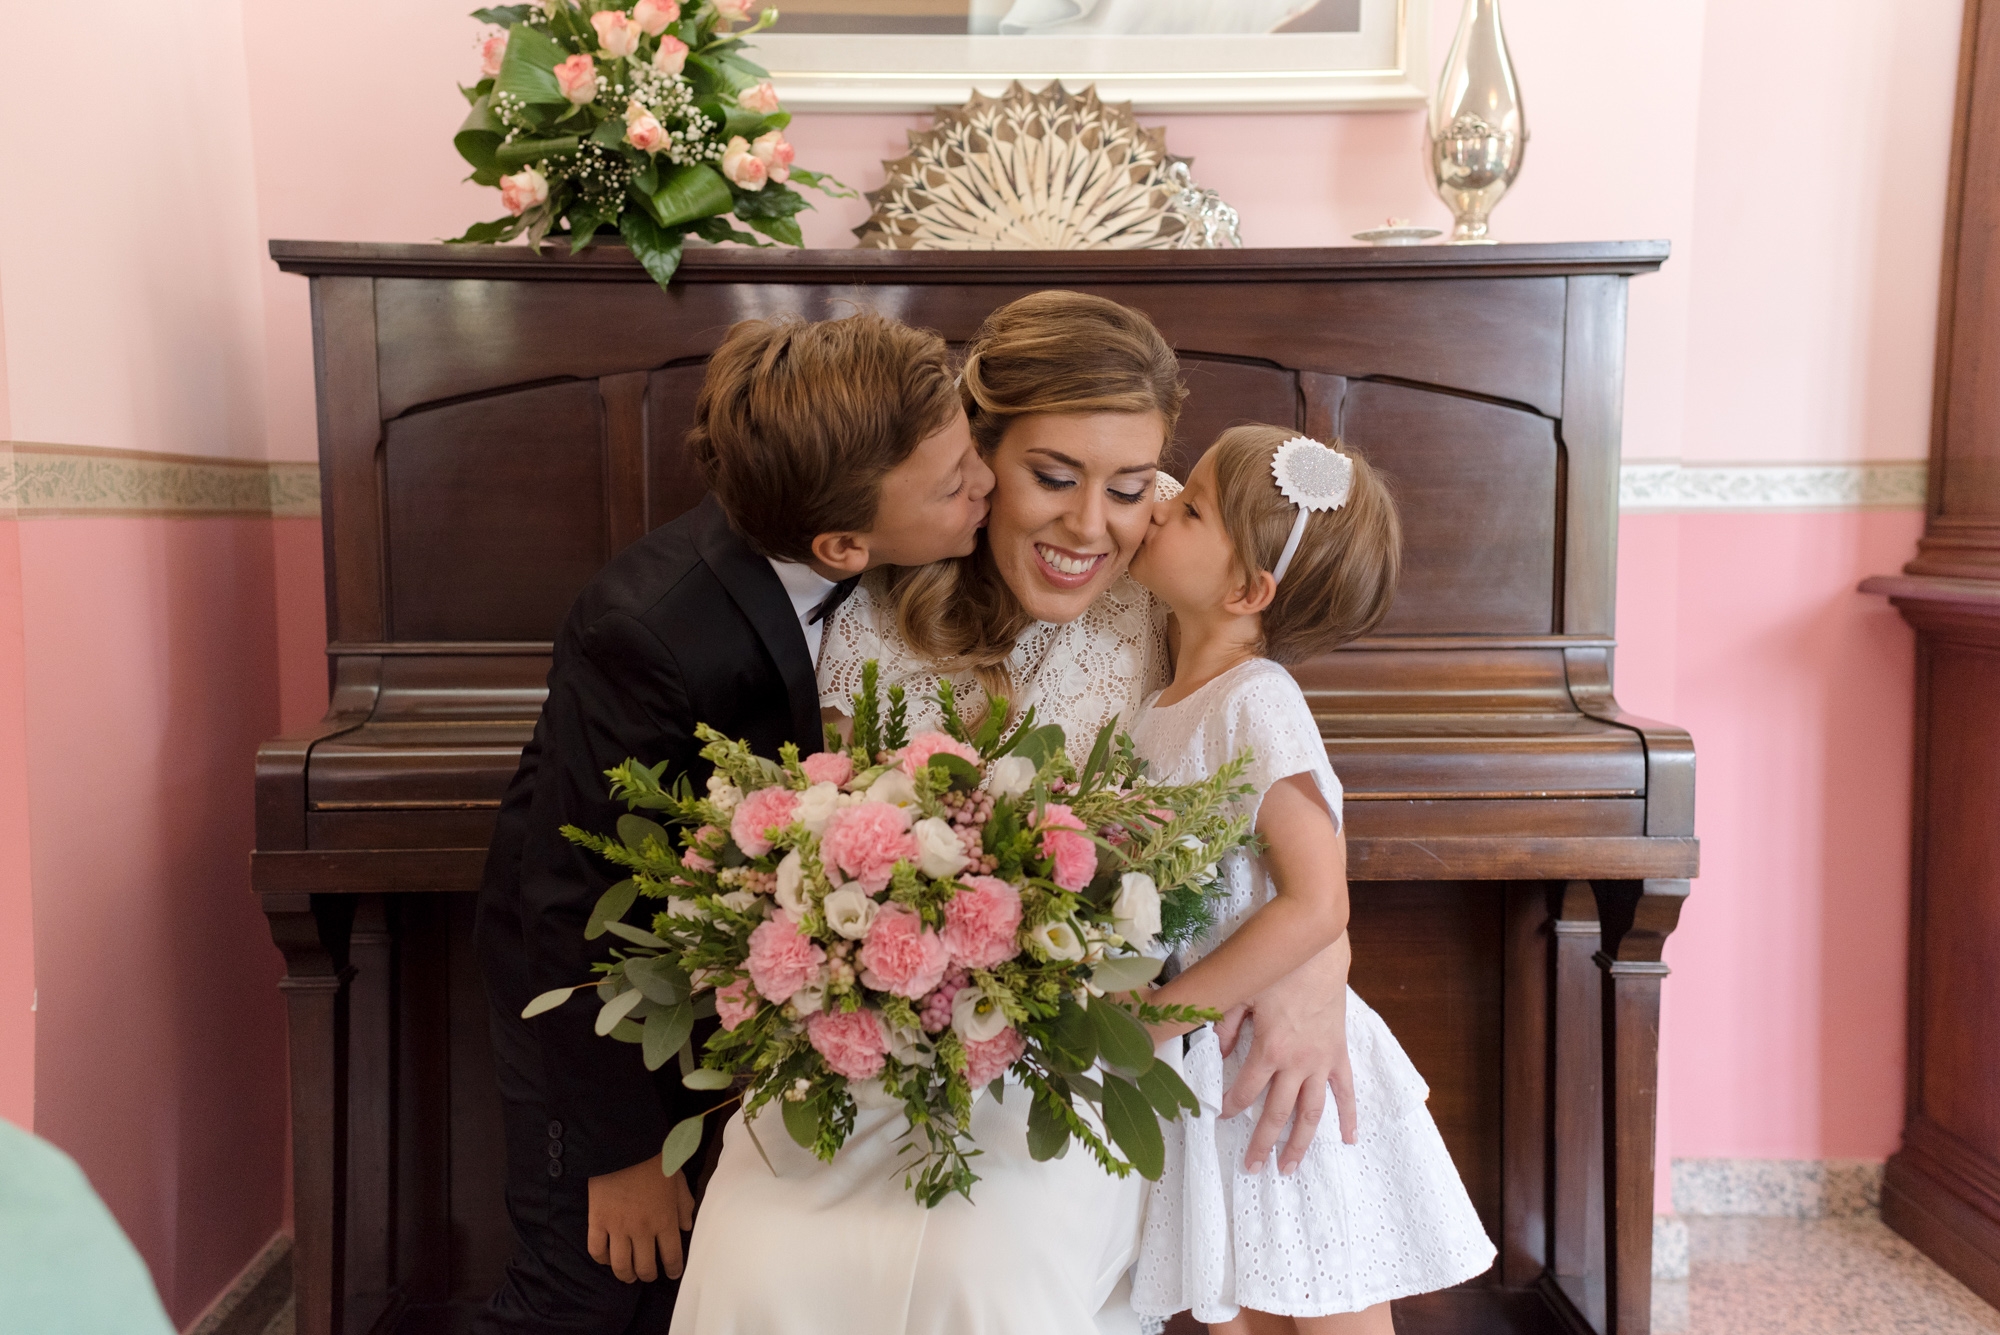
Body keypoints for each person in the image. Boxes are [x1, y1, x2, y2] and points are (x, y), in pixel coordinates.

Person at [672, 292, 1365, 1334]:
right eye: (1049, 478)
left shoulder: (1183, 552)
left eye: (1130, 486)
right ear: (973, 457)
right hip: (913, 1016)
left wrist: (1321, 967)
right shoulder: (884, 577)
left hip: (1086, 1037)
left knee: (991, 1267)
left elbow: (1276, 775)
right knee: (758, 1240)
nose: (1092, 524)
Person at [473, 311, 993, 1335]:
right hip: (591, 1017)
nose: (985, 481)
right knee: (586, 1293)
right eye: (954, 479)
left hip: (721, 991)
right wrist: (621, 1154)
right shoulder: (649, 627)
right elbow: (563, 902)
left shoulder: (840, 526)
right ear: (842, 544)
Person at [1125, 425, 1496, 1332]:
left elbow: (1319, 897)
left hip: (1274, 1050)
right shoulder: (1159, 708)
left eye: (1193, 507)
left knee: (1328, 1300)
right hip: (1222, 1051)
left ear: (1249, 590)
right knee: (1239, 1303)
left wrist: (1167, 1015)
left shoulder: (1257, 700)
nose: (1161, 503)